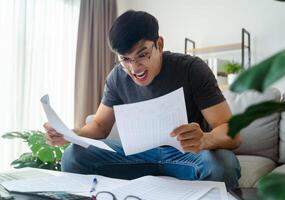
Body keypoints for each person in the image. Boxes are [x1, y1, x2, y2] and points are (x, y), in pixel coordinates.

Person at [44, 10, 241, 190]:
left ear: (160, 45)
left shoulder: (191, 69)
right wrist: (70, 134)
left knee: (223, 165)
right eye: (125, 59)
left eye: (142, 55)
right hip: (137, 154)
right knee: (73, 156)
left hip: (186, 153)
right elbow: (100, 126)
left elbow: (232, 133)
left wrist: (205, 139)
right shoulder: (116, 77)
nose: (135, 68)